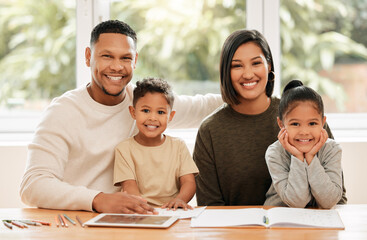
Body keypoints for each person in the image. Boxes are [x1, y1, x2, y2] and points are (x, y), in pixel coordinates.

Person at [20, 20, 222, 213]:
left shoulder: (145, 105)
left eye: (125, 58)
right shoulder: (63, 111)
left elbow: (203, 106)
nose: (117, 67)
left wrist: (248, 88)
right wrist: (98, 199)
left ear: (135, 60)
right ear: (88, 56)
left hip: (130, 220)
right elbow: (33, 185)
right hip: (78, 221)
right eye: (107, 56)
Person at [193, 29, 346, 206]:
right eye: (237, 65)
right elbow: (209, 206)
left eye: (256, 63)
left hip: (307, 230)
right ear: (226, 72)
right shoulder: (210, 130)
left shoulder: (305, 118)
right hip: (238, 232)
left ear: (269, 65)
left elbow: (338, 198)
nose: (248, 74)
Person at [114, 77, 198, 210]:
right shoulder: (124, 149)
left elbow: (189, 182)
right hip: (140, 211)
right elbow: (129, 186)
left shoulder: (178, 146)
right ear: (133, 112)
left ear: (170, 116)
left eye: (160, 112)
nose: (152, 118)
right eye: (146, 110)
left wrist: (179, 200)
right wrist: (144, 208)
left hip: (172, 211)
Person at [264, 80, 343, 208]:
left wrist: (311, 158)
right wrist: (298, 157)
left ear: (323, 123)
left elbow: (329, 201)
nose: (305, 132)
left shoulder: (332, 149)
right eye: (295, 124)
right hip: (279, 218)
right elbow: (297, 202)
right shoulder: (274, 153)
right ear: (281, 124)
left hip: (319, 221)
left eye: (312, 123)